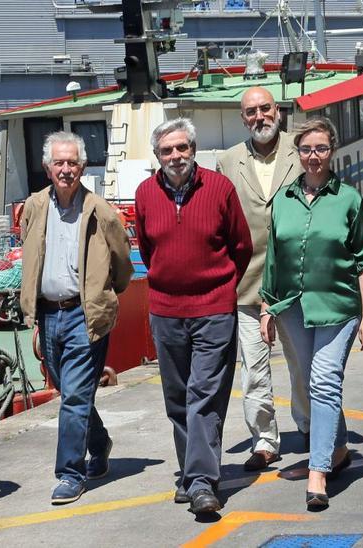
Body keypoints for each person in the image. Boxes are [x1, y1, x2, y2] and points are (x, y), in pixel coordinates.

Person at [134, 118, 253, 515]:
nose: (176, 156)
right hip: (166, 310)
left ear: (194, 149)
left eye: (182, 148)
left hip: (214, 309)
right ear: (157, 156)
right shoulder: (145, 194)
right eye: (167, 151)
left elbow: (241, 246)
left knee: (203, 395)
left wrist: (219, 290)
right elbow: (149, 251)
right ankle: (190, 472)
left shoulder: (220, 189)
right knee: (177, 398)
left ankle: (202, 481)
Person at [259, 117, 363, 510]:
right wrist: (266, 307)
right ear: (298, 152)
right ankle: (339, 448)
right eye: (307, 149)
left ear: (332, 151)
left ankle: (318, 471)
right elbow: (273, 258)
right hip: (292, 306)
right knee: (309, 383)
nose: (314, 157)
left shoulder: (349, 199)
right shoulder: (283, 200)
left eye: (321, 149)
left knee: (325, 381)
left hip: (339, 307)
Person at [18, 131, 134, 505]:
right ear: (47, 167)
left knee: (72, 399)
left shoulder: (100, 210)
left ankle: (70, 473)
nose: (65, 169)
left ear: (83, 167)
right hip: (49, 315)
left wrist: (101, 295)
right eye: (59, 163)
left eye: (72, 163)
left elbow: (122, 263)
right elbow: (30, 254)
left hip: (86, 316)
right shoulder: (34, 207)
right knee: (73, 394)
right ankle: (99, 444)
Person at [216, 87, 305, 470]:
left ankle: (310, 424)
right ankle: (265, 440)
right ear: (243, 118)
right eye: (250, 112)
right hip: (247, 283)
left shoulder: (301, 151)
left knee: (304, 363)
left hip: (298, 283)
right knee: (253, 369)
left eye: (265, 109)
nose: (259, 117)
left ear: (278, 112)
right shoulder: (228, 160)